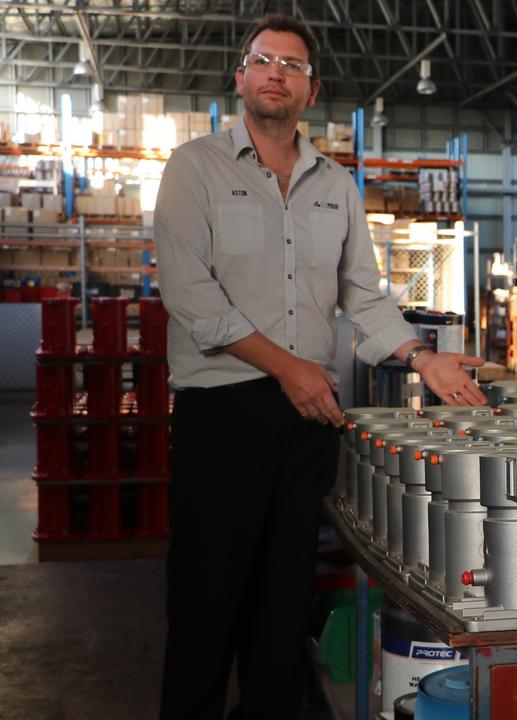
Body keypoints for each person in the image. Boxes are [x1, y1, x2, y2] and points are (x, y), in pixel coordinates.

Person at [153, 14, 485, 718]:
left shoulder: (337, 185)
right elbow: (189, 296)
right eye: (264, 60)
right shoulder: (195, 169)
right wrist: (289, 368)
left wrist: (423, 358)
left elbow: (364, 297)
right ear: (241, 77)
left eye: (293, 65)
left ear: (312, 89)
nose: (277, 72)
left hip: (307, 420)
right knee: (208, 602)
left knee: (281, 606)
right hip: (223, 413)